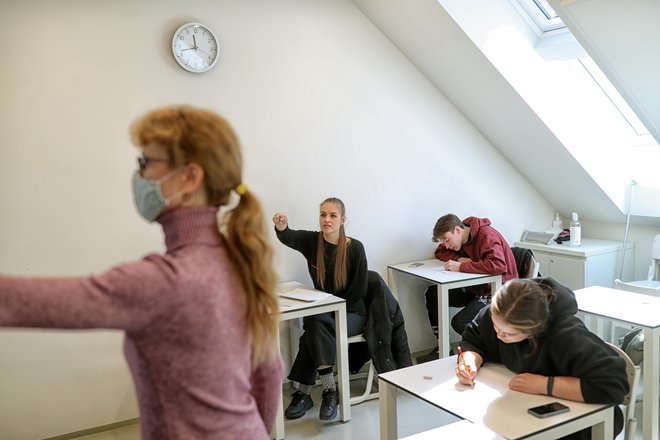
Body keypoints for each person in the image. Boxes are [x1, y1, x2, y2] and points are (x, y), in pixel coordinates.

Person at [0, 106, 284, 439]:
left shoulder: (166, 280)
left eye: (145, 163)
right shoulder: (241, 262)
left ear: (190, 177)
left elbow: (14, 302)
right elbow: (270, 375)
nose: (139, 176)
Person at [457, 278, 628, 440]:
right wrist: (470, 360)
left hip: (584, 421)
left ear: (535, 330)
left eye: (510, 333)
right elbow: (475, 337)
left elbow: (613, 385)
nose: (499, 335)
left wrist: (543, 385)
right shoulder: (503, 310)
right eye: (495, 326)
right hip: (524, 409)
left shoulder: (566, 335)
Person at [273, 197, 368, 421]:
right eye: (323, 215)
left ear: (343, 219)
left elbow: (358, 293)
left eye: (333, 215)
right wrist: (281, 226)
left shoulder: (355, 248)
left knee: (313, 329)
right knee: (315, 325)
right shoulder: (312, 241)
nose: (327, 220)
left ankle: (305, 393)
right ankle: (329, 390)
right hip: (324, 315)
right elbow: (289, 236)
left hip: (352, 314)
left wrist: (330, 306)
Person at [417, 213, 518, 363]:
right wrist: (459, 258)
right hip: (477, 288)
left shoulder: (486, 236)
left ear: (457, 230)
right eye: (443, 241)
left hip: (498, 291)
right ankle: (442, 348)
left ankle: (492, 351)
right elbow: (440, 252)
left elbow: (498, 265)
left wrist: (462, 267)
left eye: (446, 239)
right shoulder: (462, 237)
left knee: (460, 322)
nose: (446, 245)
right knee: (434, 293)